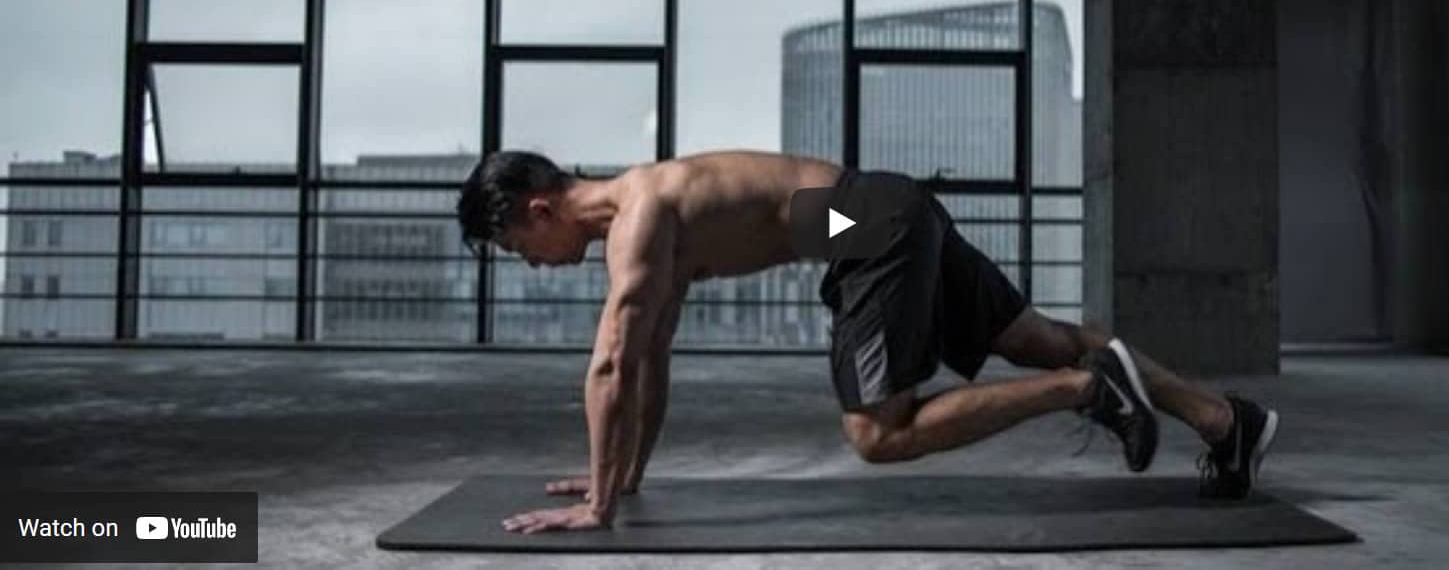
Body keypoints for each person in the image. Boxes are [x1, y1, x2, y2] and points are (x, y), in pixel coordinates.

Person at [455, 150, 1279, 534]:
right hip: (877, 206)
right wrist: (623, 476)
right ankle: (1223, 421)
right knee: (1038, 336)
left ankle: (1088, 390)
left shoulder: (638, 220)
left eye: (520, 251)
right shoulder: (653, 210)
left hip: (867, 219)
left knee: (879, 432)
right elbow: (650, 357)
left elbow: (609, 364)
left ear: (538, 209)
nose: (534, 265)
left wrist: (598, 509)